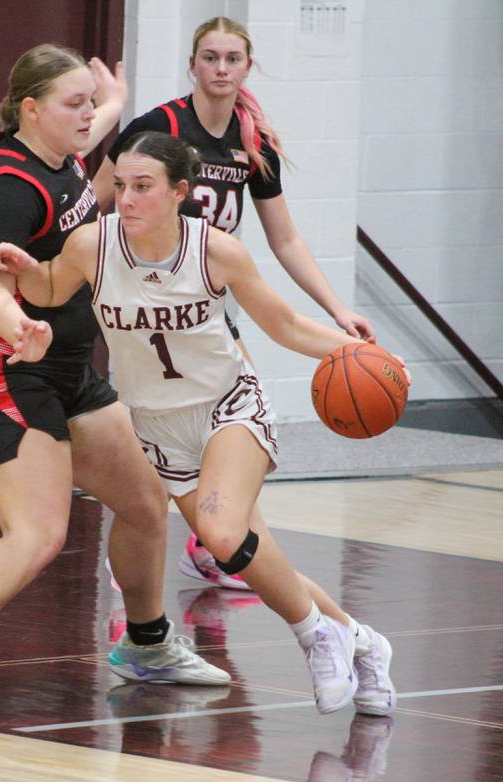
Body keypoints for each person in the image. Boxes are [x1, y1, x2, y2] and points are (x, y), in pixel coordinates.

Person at [0, 46, 231, 731]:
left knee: (145, 502)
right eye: (75, 104)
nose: (88, 116)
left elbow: (95, 129)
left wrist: (112, 99)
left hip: (66, 369)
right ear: (31, 110)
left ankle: (147, 645)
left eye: (90, 104)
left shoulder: (60, 154)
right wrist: (19, 326)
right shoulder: (8, 187)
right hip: (3, 368)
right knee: (36, 533)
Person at [0, 131, 402, 717]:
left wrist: (361, 354)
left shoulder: (215, 251)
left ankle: (317, 637)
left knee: (220, 532)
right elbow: (51, 287)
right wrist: (23, 269)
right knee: (251, 555)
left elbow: (285, 326)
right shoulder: (93, 244)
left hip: (227, 405)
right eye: (121, 185)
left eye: (143, 187)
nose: (126, 198)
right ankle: (361, 642)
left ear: (179, 192)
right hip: (158, 426)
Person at [94, 16, 375, 591]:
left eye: (232, 59)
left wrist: (336, 309)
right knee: (160, 443)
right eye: (210, 57)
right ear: (192, 65)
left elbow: (285, 238)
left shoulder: (253, 141)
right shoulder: (157, 129)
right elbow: (95, 199)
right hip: (148, 295)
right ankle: (142, 560)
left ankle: (211, 545)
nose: (221, 69)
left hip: (204, 296)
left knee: (238, 421)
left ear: (248, 67)